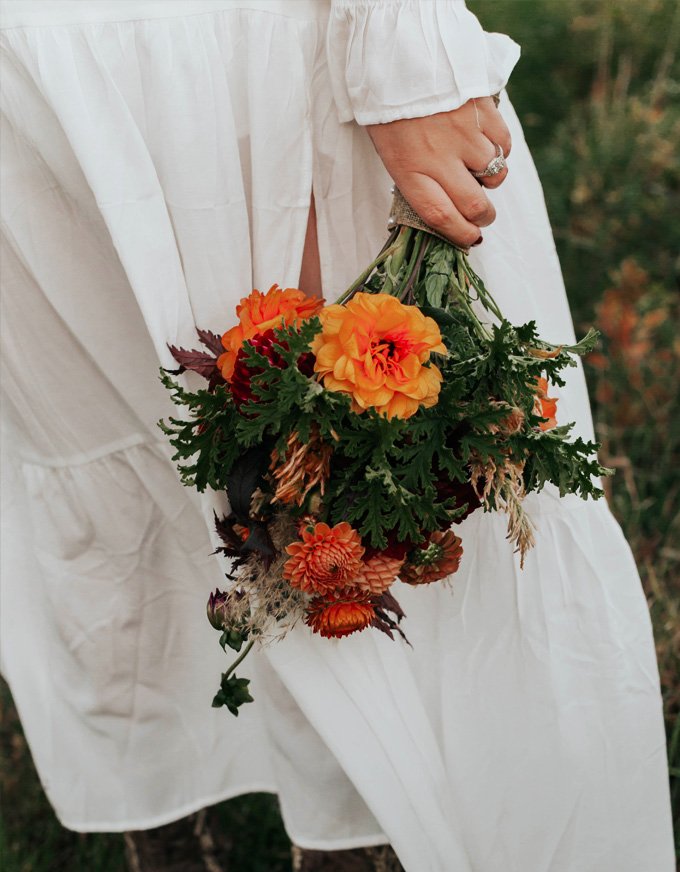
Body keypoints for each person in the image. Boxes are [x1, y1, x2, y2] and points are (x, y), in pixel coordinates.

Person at [0, 1, 674, 870]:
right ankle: (172, 808)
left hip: (260, 44)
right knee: (118, 442)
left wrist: (403, 42)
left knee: (377, 489)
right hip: (36, 59)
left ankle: (376, 825)